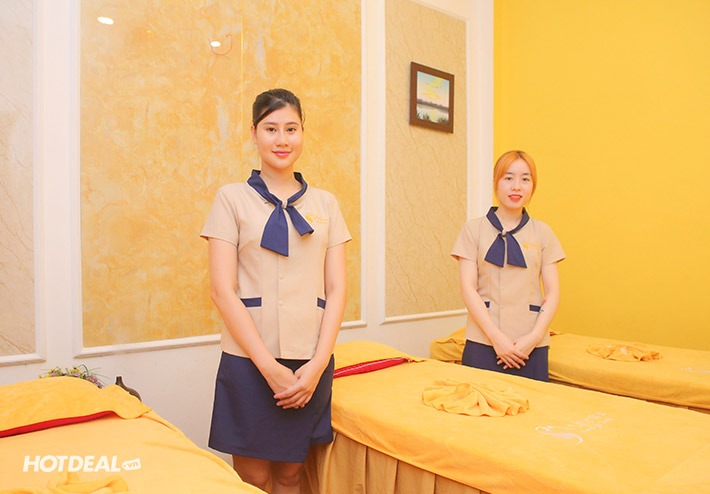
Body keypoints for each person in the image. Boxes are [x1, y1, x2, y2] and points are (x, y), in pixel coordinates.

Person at [200, 88, 351, 493]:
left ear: (303, 133)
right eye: (271, 129)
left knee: (290, 475)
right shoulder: (231, 199)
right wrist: (268, 368)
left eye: (291, 128)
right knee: (252, 477)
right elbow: (222, 290)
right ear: (254, 133)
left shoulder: (327, 204)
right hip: (249, 358)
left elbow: (337, 289)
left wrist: (318, 364)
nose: (282, 139)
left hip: (308, 362)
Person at [451, 150, 564, 381]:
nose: (517, 187)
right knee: (478, 402)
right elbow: (468, 289)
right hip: (483, 340)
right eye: (508, 178)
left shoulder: (543, 232)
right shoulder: (473, 230)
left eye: (525, 179)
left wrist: (534, 337)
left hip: (531, 344)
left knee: (532, 403)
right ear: (495, 182)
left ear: (533, 185)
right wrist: (496, 338)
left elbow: (553, 292)